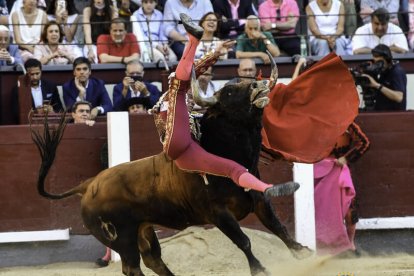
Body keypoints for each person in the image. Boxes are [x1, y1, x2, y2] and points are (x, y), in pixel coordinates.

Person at [153, 13, 299, 199]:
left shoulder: (183, 107)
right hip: (189, 146)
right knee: (233, 170)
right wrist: (214, 54)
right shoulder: (193, 151)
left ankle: (193, 40)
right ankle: (265, 187)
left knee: (179, 86)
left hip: (179, 146)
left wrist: (215, 53)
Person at [291, 56, 370, 256]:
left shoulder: (342, 118)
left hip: (337, 168)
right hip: (313, 169)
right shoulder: (310, 118)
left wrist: (346, 159)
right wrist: (301, 66)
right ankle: (328, 246)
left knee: (348, 210)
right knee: (317, 208)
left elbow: (364, 142)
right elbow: (294, 93)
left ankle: (350, 244)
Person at [12, 58, 63, 122]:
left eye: (37, 73)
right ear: (26, 73)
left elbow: (60, 109)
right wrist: (36, 112)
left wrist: (52, 110)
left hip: (49, 122)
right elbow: (15, 113)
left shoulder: (50, 86)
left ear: (41, 71)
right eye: (32, 74)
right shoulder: (18, 90)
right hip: (29, 124)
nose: (35, 77)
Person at [360, 44, 407, 111]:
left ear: (387, 59)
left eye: (379, 62)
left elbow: (399, 97)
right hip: (380, 112)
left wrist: (377, 85)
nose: (377, 64)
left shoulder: (397, 71)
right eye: (374, 58)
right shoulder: (383, 71)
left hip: (394, 116)